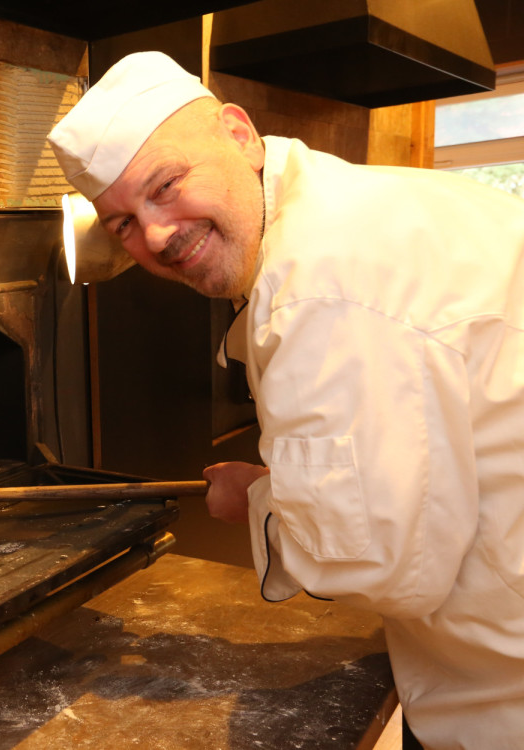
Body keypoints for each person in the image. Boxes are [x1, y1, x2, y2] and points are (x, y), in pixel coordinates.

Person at [46, 51, 524, 750]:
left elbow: (383, 566)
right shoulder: (366, 202)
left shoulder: (319, 284)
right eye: (121, 223)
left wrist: (260, 502)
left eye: (166, 184)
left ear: (238, 134)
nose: (154, 234)